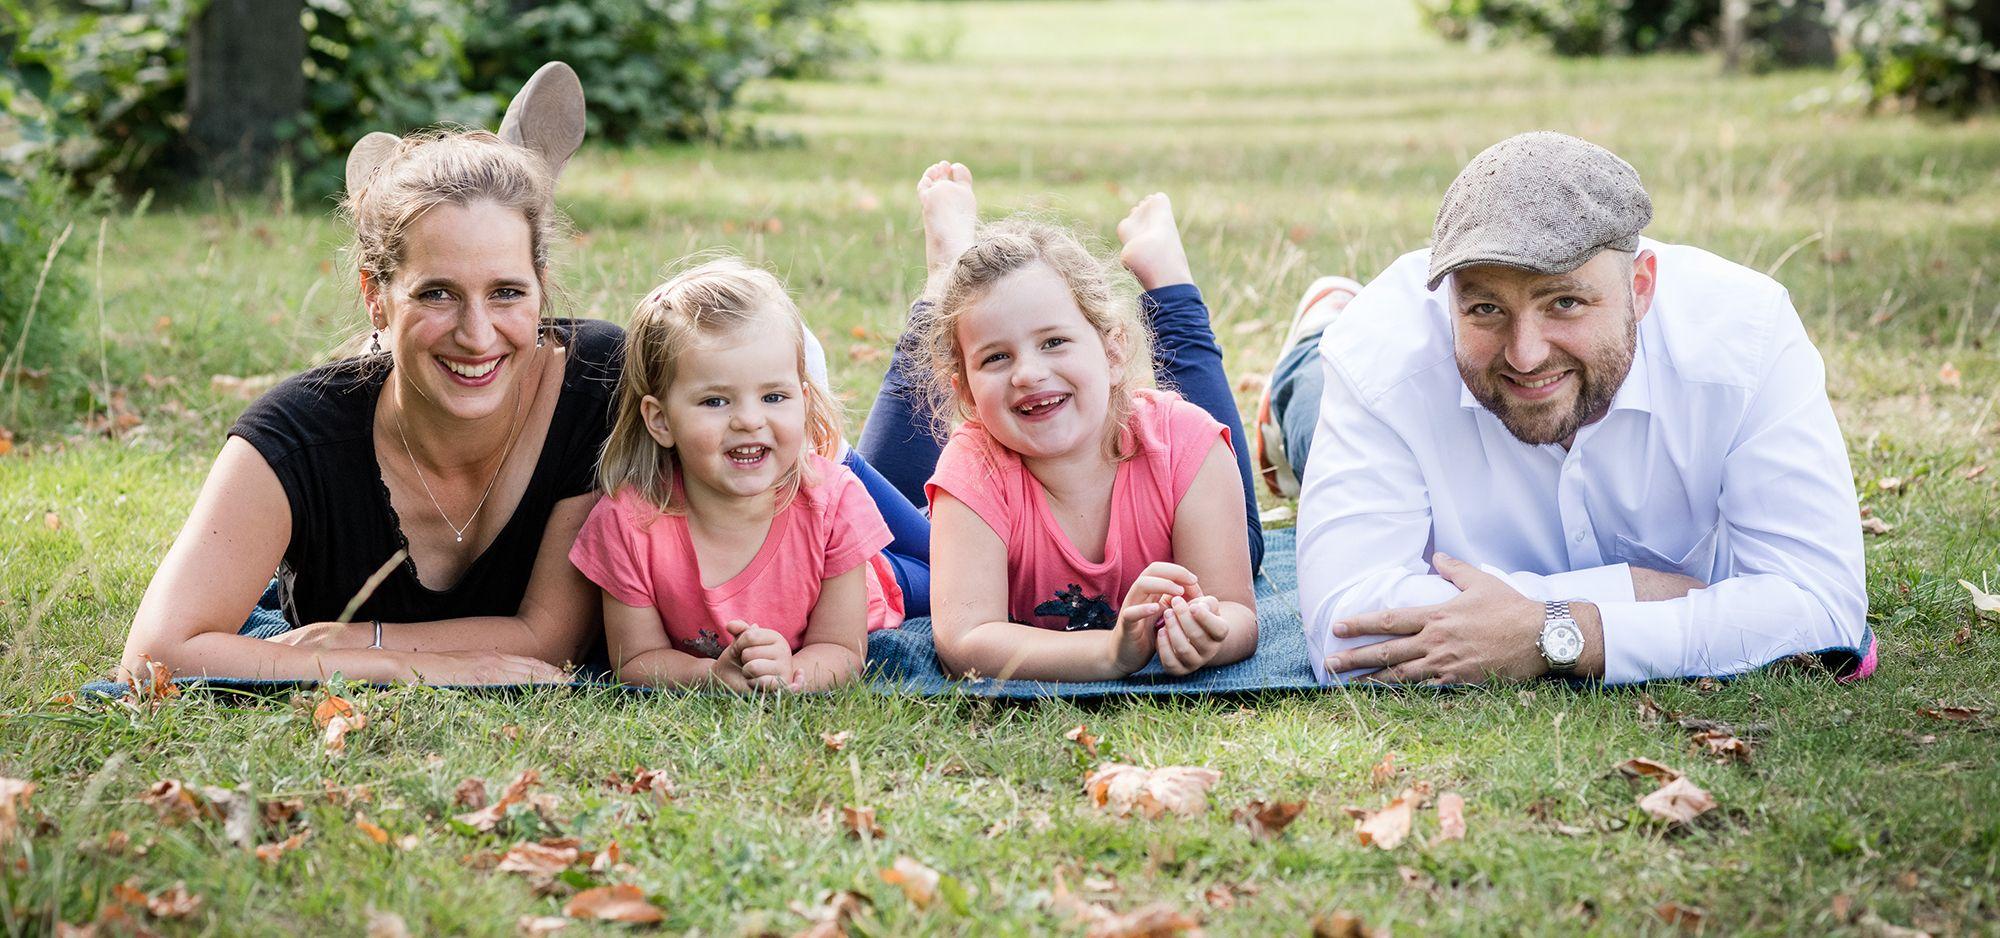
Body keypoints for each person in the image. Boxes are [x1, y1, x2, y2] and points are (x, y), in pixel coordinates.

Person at [1256, 131, 1873, 686]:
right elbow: (1347, 630)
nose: (1525, 356)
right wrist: (1641, 593)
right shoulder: (1378, 355)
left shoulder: (1747, 337)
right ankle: (1314, 337)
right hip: (1351, 372)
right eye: (1485, 310)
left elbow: (1821, 606)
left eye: (1565, 304)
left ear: (1641, 287)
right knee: (1310, 418)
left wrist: (1561, 632)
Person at [118, 66, 605, 685]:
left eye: (507, 292)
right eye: (437, 294)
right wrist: (409, 666)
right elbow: (154, 657)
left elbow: (553, 639)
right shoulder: (297, 435)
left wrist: (346, 641)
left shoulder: (596, 384)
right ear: (376, 297)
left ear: (541, 287)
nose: (478, 334)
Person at [894, 163, 1260, 682]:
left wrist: (1207, 635)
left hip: (1167, 447)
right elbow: (964, 640)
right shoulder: (974, 467)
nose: (1027, 373)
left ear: (1114, 353)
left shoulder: (1188, 444)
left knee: (1238, 514)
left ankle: (1168, 277)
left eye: (1054, 342)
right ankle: (948, 267)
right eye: (995, 358)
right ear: (969, 396)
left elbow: (1237, 613)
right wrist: (1110, 654)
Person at [567, 258, 915, 691]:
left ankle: (931, 303)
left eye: (773, 396)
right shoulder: (629, 523)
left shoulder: (835, 502)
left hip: (891, 579)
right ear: (660, 420)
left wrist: (793, 674)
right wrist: (710, 675)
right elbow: (636, 660)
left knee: (951, 561)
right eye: (715, 401)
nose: (749, 420)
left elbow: (841, 648)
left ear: (803, 401)